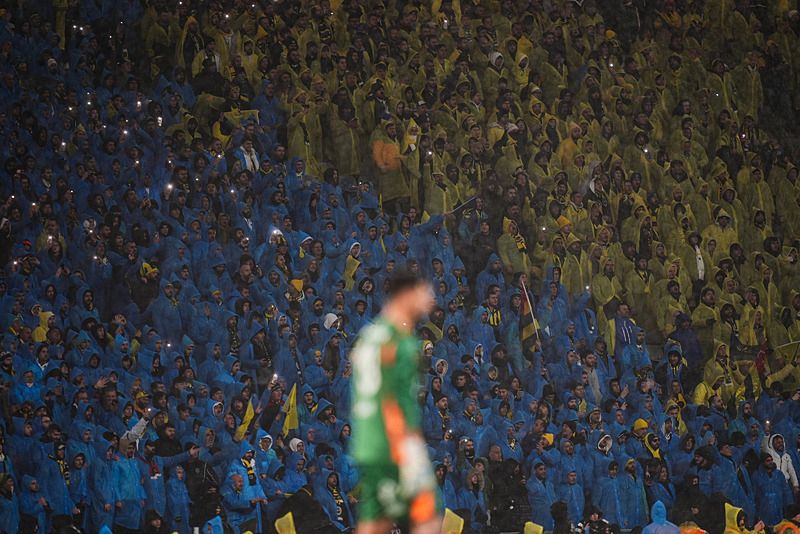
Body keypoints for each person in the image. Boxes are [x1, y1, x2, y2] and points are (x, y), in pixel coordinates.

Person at [351, 269, 439, 534]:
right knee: (427, 515)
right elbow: (393, 400)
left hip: (372, 441)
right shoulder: (399, 343)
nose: (429, 300)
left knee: (378, 519)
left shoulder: (372, 336)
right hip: (391, 442)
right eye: (422, 293)